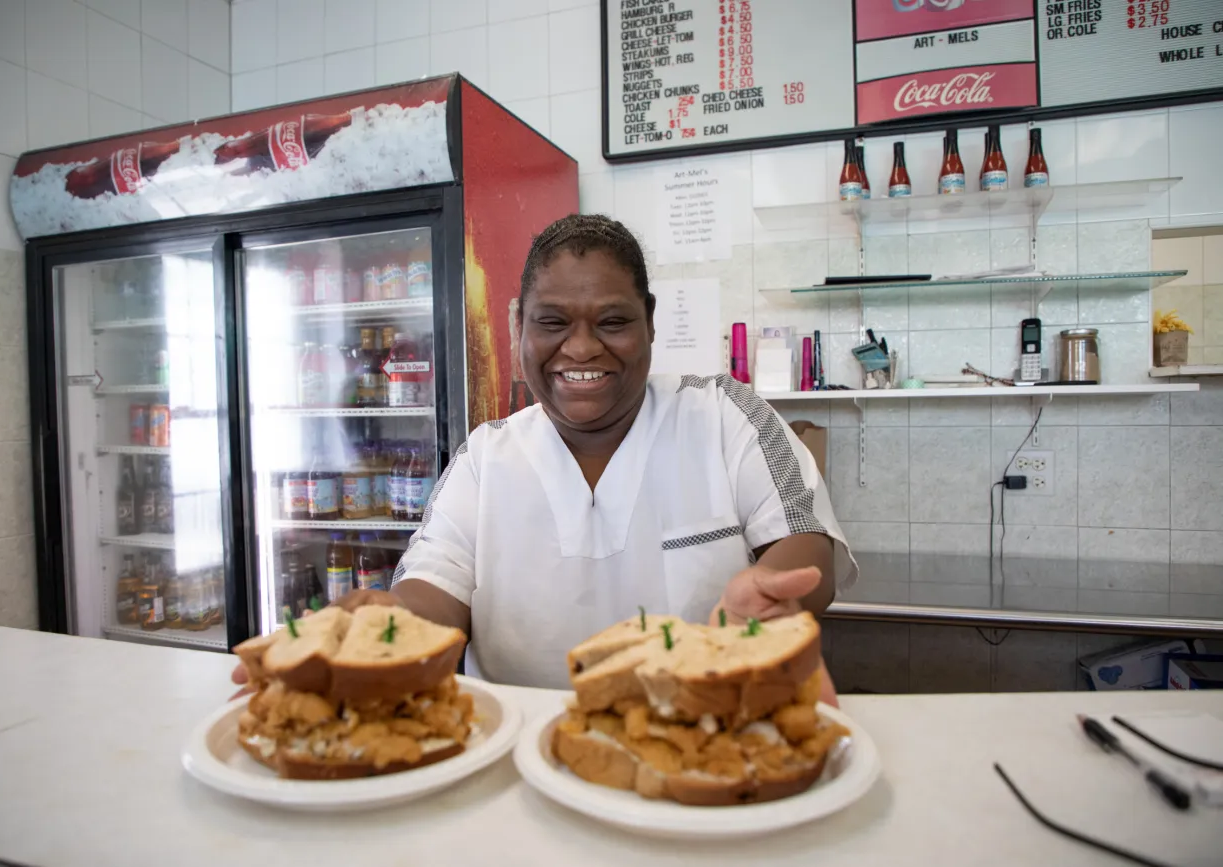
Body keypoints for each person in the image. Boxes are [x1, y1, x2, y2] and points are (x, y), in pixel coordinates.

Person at [236, 214, 854, 693]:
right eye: (553, 322)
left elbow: (806, 544)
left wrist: (773, 592)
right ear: (517, 327)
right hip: (516, 769)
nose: (581, 349)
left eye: (612, 321)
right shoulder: (486, 458)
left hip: (701, 734)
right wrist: (382, 621)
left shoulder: (724, 414)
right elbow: (433, 594)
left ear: (650, 322)